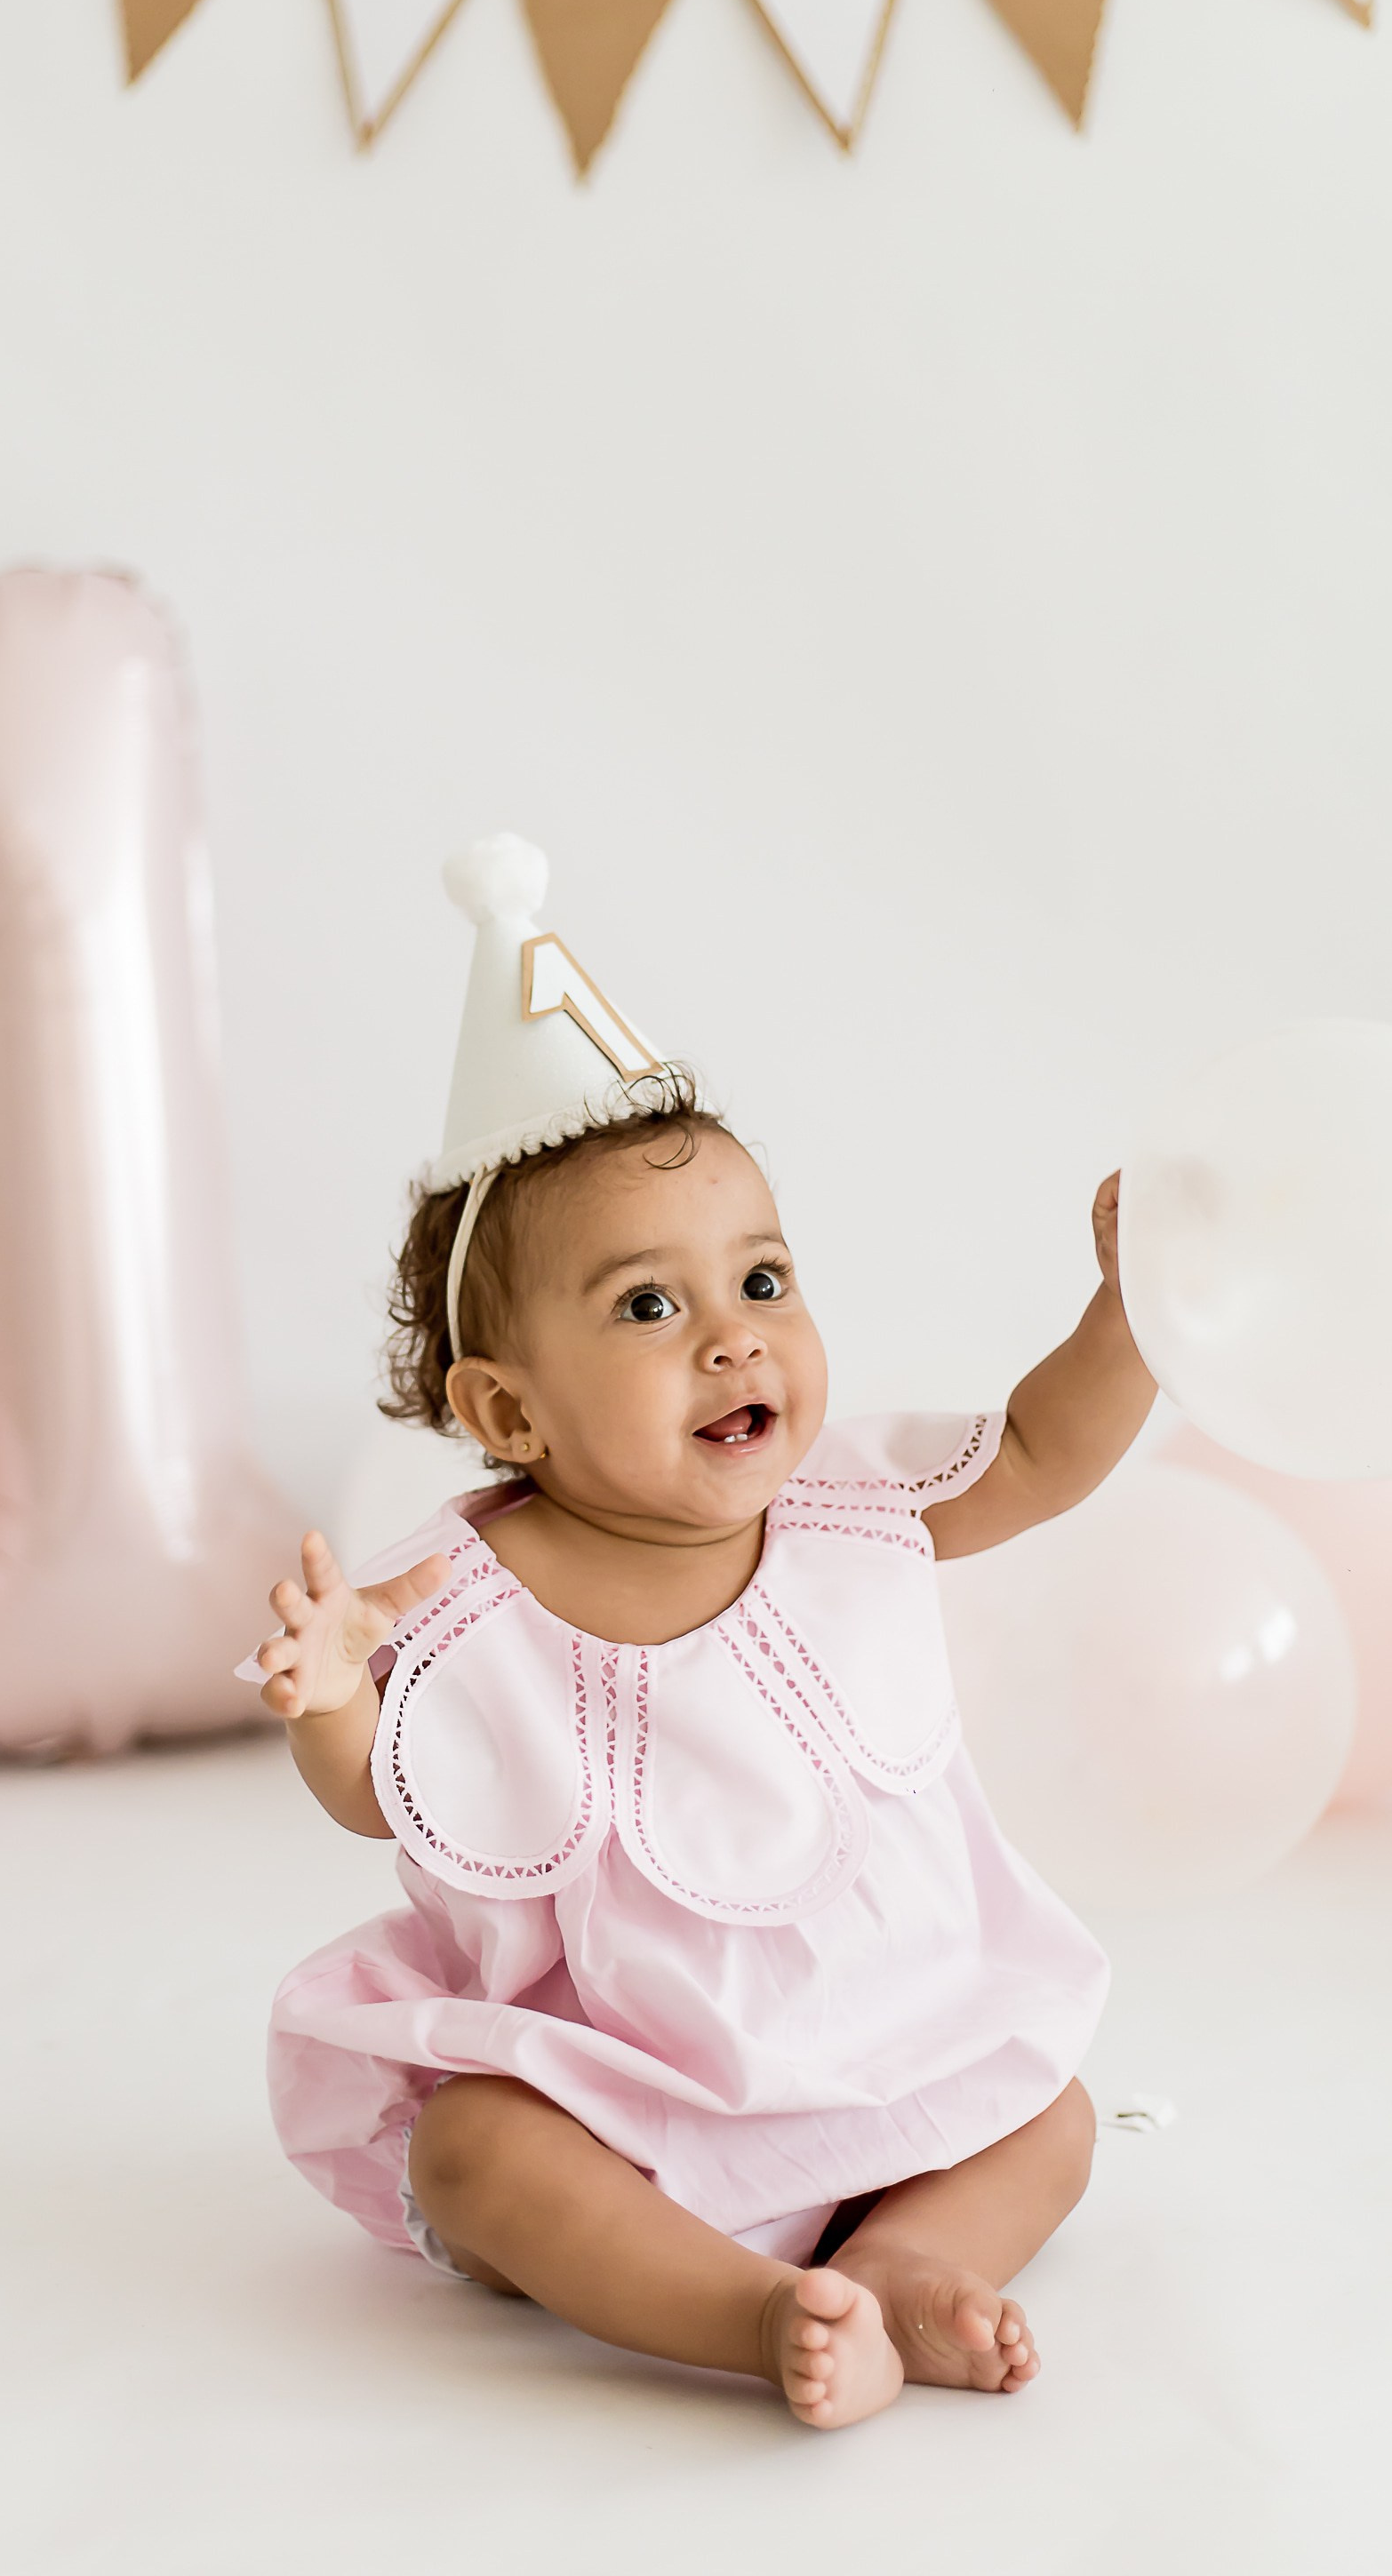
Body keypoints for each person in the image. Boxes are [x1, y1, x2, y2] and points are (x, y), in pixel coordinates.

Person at [246, 836, 1153, 2429]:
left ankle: (908, 2266)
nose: (733, 1330)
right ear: (506, 1406)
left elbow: (1037, 1455)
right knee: (476, 2154)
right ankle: (751, 2312)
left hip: (891, 2054)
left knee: (1052, 2115)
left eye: (761, 1275)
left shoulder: (850, 1509)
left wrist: (1132, 1317)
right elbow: (368, 1790)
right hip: (632, 2103)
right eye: (649, 1307)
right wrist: (331, 1696)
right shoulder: (462, 1606)